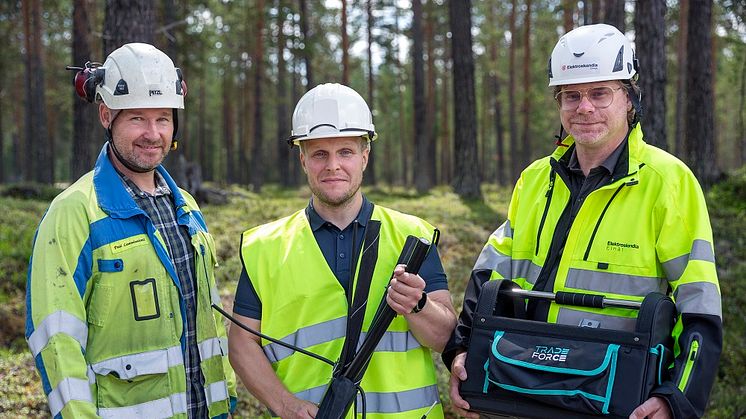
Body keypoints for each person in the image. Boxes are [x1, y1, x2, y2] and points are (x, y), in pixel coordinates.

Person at [444, 24, 722, 419]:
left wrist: (675, 399)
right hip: (519, 387)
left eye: (599, 93)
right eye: (571, 95)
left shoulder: (668, 183)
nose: (584, 107)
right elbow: (490, 274)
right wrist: (461, 351)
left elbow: (700, 305)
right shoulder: (535, 179)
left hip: (610, 396)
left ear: (628, 98)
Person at [25, 43, 236, 418]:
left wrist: (227, 396)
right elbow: (56, 338)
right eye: (137, 117)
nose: (152, 133)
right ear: (107, 115)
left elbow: (209, 313)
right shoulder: (75, 211)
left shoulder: (185, 204)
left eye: (163, 118)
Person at [228, 83, 457, 418]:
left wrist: (418, 306)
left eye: (345, 152)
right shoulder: (266, 247)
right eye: (320, 153)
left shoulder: (413, 237)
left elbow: (446, 337)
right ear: (302, 159)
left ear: (365, 156)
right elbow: (241, 343)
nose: (333, 165)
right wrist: (284, 404)